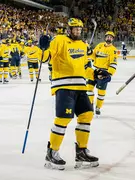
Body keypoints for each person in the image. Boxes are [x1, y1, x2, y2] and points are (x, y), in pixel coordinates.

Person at [41, 18, 98, 170]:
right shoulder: (59, 40)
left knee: (87, 115)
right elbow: (46, 58)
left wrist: (96, 74)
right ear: (69, 29)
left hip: (80, 86)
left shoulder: (82, 45)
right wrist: (43, 47)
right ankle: (52, 152)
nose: (78, 31)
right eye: (75, 29)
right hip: (63, 85)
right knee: (63, 118)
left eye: (80, 29)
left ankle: (81, 151)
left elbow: (85, 66)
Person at [86, 31, 118, 116]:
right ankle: (90, 105)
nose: (109, 38)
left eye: (111, 37)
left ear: (112, 39)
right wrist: (89, 51)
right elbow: (92, 56)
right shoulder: (99, 45)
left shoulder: (113, 50)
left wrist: (108, 74)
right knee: (89, 89)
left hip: (103, 73)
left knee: (101, 93)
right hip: (94, 71)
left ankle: (98, 107)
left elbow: (113, 64)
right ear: (105, 37)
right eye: (108, 36)